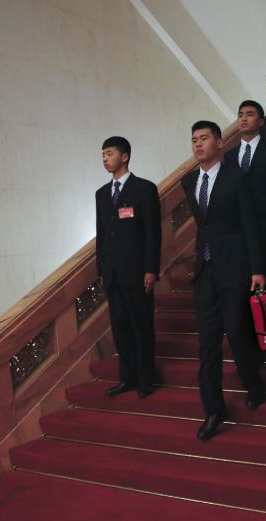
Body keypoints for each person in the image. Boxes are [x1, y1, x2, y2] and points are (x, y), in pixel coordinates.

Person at [181, 121, 266, 441]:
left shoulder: (237, 178)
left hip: (235, 267)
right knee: (207, 344)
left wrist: (257, 269)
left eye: (204, 138)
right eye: (194, 140)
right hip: (205, 271)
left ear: (219, 142)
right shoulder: (188, 181)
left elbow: (249, 224)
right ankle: (214, 409)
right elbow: (204, 226)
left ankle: (254, 384)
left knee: (237, 332)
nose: (198, 144)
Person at [96, 136, 161, 399]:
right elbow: (101, 235)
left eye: (109, 153)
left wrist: (151, 269)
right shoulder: (101, 194)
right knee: (120, 328)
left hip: (137, 272)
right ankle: (127, 378)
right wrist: (101, 269)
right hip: (112, 273)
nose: (104, 159)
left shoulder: (144, 189)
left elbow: (153, 233)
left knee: (141, 326)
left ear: (124, 156)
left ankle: (146, 380)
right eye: (102, 155)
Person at [224, 100, 266, 289]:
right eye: (240, 115)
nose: (243, 118)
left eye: (249, 114)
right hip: (238, 229)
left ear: (261, 121)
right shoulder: (230, 155)